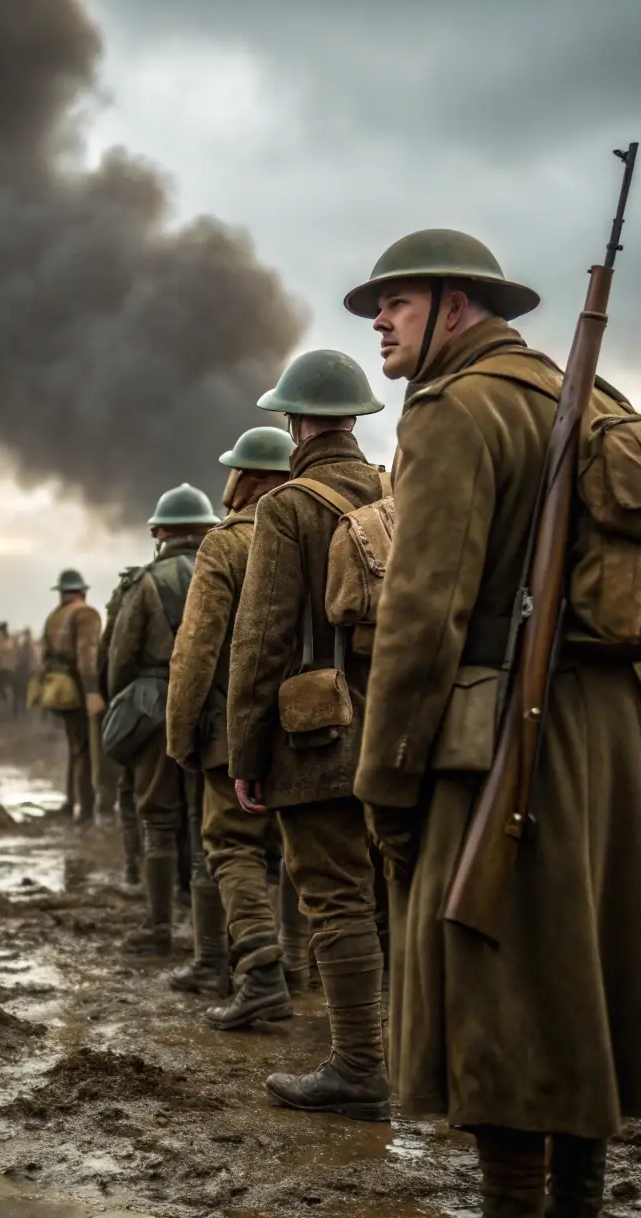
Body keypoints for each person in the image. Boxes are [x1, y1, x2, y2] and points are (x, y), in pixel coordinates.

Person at [346, 229, 641, 1218]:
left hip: (504, 732)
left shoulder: (456, 409)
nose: (377, 321)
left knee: (493, 981)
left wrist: (384, 780)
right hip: (606, 738)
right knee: (578, 981)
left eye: (394, 302)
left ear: (456, 304)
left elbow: (420, 614)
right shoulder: (584, 395)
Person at [227, 349, 388, 1118]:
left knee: (335, 897)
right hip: (395, 722)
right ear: (354, 419)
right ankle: (410, 1052)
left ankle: (359, 1065)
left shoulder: (287, 505)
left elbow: (258, 641)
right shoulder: (394, 489)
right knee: (391, 894)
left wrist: (246, 754)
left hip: (314, 734)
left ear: (294, 422)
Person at [167, 426, 309, 1018]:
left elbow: (196, 649)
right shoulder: (320, 527)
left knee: (231, 847)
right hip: (312, 720)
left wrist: (181, 736)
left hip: (234, 728)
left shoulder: (225, 545)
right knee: (299, 850)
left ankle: (259, 974)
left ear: (249, 478)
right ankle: (298, 963)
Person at [108, 484, 220, 955]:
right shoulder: (225, 570)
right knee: (204, 826)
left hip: (153, 708)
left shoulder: (146, 583)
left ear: (159, 531)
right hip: (212, 711)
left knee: (157, 819)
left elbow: (120, 658)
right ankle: (210, 944)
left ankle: (158, 929)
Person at [41, 571, 104, 824]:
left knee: (75, 748)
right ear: (83, 591)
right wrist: (92, 692)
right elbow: (87, 657)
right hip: (78, 687)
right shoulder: (85, 613)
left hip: (58, 688)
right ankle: (86, 810)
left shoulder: (54, 616)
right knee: (87, 750)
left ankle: (71, 802)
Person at [99, 563, 146, 886]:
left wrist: (117, 703)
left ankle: (134, 868)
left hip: (143, 707)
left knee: (132, 793)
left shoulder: (137, 587)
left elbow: (114, 656)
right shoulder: (214, 565)